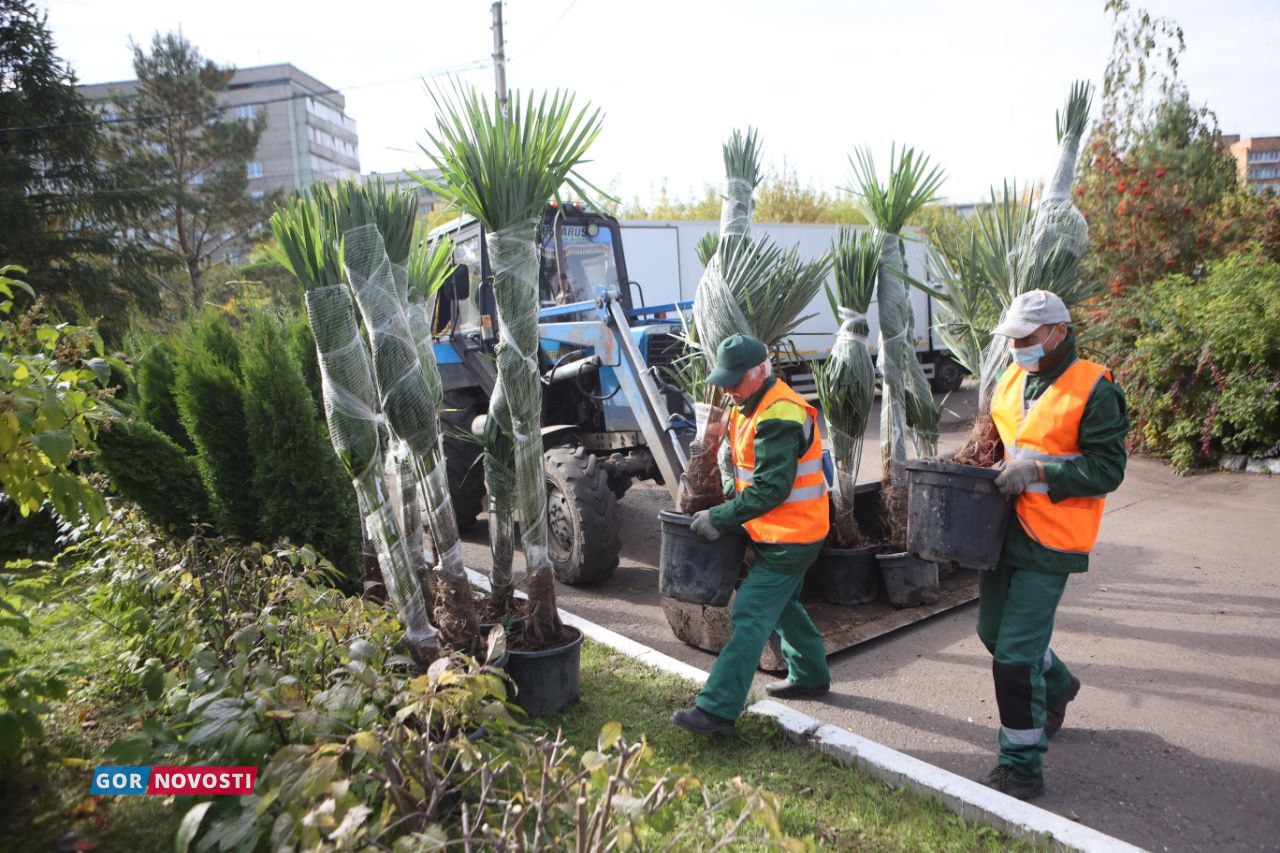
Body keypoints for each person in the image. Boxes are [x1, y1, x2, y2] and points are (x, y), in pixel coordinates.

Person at [982, 290, 1129, 799]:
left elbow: (1108, 468)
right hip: (1001, 533)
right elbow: (999, 439)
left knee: (1014, 657)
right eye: (1013, 338)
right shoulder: (1013, 377)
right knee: (992, 635)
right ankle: (1060, 685)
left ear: (1057, 333)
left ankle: (1021, 765)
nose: (1017, 347)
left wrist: (1040, 470)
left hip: (1052, 539)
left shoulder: (1094, 388)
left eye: (1025, 338)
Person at [671, 334, 832, 735]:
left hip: (791, 537)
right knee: (782, 606)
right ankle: (811, 675)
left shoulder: (780, 413)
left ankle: (717, 710)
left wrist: (720, 517)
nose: (727, 388)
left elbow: (770, 490)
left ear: (760, 372)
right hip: (783, 531)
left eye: (734, 380)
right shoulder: (749, 402)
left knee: (748, 613)